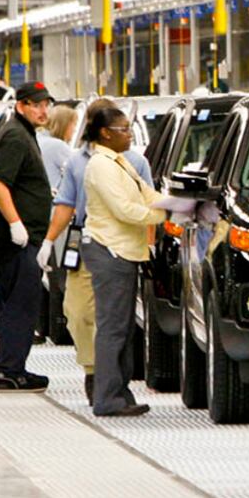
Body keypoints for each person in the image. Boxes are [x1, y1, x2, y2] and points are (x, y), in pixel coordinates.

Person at [36, 98, 154, 406]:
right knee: (78, 312)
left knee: (116, 321)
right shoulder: (77, 161)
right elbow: (66, 204)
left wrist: (150, 244)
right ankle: (95, 371)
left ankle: (107, 381)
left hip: (121, 244)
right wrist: (49, 241)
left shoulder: (135, 162)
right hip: (84, 239)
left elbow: (147, 202)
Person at [81, 106, 167, 417]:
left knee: (123, 328)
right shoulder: (102, 166)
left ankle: (119, 392)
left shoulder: (120, 163)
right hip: (110, 251)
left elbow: (147, 195)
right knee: (112, 328)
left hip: (122, 251)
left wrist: (182, 206)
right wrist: (166, 216)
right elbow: (125, 210)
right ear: (105, 133)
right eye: (124, 129)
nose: (130, 134)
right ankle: (107, 399)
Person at [0, 80, 54, 393]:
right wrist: (15, 223)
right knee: (21, 304)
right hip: (16, 240)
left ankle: (10, 366)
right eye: (37, 104)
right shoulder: (15, 137)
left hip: (22, 239)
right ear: (21, 105)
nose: (43, 110)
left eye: (46, 104)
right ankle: (10, 370)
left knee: (15, 302)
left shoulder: (20, 133)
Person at [37, 104, 78, 192]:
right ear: (64, 125)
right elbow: (79, 171)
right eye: (74, 124)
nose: (75, 130)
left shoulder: (37, 138)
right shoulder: (57, 145)